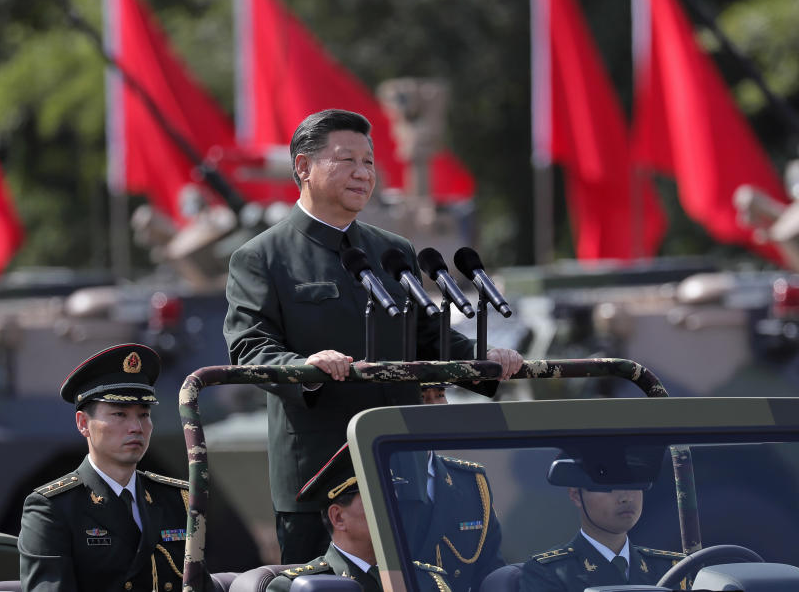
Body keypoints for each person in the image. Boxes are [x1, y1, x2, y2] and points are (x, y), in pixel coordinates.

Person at [223, 109, 523, 563]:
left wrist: (485, 360)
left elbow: (428, 336)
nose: (363, 173)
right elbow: (250, 348)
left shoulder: (392, 251)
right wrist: (306, 368)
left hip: (400, 463)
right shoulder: (262, 257)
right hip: (321, 476)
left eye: (369, 162)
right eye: (347, 160)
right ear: (303, 167)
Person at [19, 344, 195, 592]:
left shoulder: (178, 499)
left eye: (144, 414)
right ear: (83, 423)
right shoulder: (53, 508)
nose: (136, 427)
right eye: (120, 414)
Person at [266, 443, 452, 592]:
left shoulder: (427, 581)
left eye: (394, 497)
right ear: (338, 517)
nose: (393, 509)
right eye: (378, 499)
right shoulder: (296, 587)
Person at [519, 453, 685, 592]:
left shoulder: (672, 568)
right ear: (576, 495)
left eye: (634, 483)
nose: (626, 497)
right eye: (608, 487)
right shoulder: (549, 573)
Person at [401, 383, 505, 592]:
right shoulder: (373, 477)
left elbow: (490, 568)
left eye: (439, 395)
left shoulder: (471, 481)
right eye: (422, 397)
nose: (433, 407)